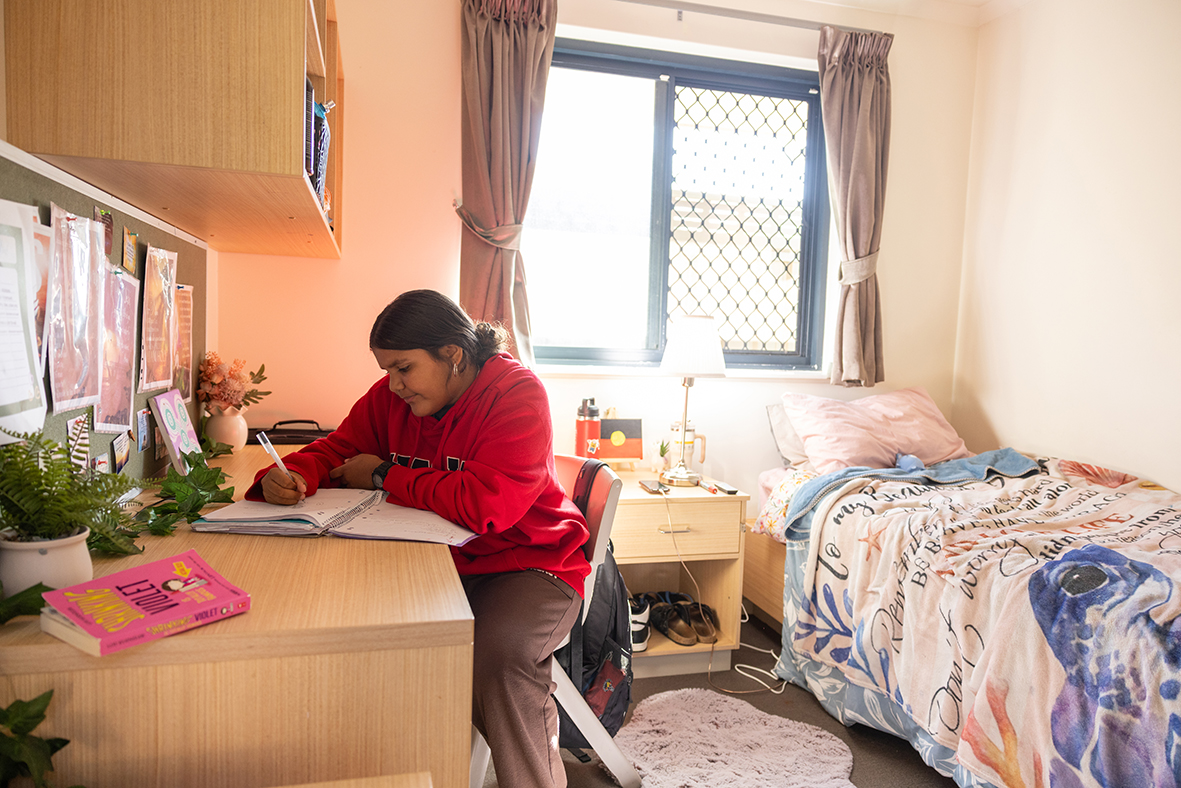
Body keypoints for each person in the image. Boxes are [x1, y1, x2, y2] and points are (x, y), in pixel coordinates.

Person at [250, 289, 591, 788]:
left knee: (499, 658)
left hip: (533, 563)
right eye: (386, 370)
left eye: (403, 368)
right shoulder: (390, 399)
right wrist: (285, 475)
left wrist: (385, 474)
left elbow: (488, 504)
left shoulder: (516, 393)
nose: (393, 385)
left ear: (452, 354)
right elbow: (336, 449)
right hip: (444, 561)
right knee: (382, 640)